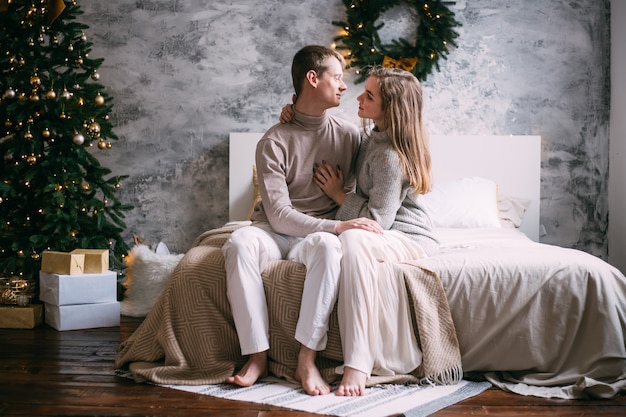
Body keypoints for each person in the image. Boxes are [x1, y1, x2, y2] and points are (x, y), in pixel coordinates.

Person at [222, 45, 383, 396]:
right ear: (313, 78)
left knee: (328, 246)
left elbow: (388, 149)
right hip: (274, 233)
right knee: (237, 242)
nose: (344, 87)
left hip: (315, 239)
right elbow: (278, 215)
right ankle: (257, 356)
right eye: (337, 77)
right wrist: (339, 226)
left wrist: (340, 207)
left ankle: (306, 359)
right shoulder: (273, 141)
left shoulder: (350, 136)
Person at [280, 66, 439, 396]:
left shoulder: (390, 156)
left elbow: (379, 221)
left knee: (354, 238)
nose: (358, 97)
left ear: (390, 108)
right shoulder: (372, 138)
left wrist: (339, 196)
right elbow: (328, 132)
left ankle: (358, 364)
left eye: (369, 95)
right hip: (384, 231)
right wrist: (293, 115)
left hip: (409, 236)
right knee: (351, 237)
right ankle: (348, 361)